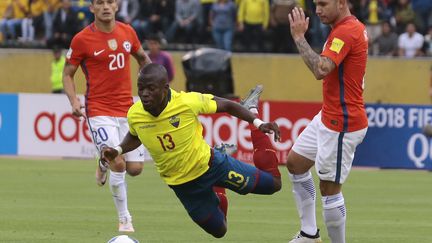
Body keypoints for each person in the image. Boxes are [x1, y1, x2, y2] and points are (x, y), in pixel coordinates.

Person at [102, 63, 282, 238]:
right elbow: (135, 136)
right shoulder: (135, 114)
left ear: (165, 88)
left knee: (274, 184)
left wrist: (258, 123)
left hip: (212, 165)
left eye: (150, 89)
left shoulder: (187, 102)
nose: (144, 94)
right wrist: (117, 150)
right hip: (183, 187)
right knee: (220, 231)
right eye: (141, 89)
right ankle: (220, 173)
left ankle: (251, 107)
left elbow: (227, 105)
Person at [62, 0, 152, 233]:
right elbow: (67, 74)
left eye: (109, 2)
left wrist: (155, 83)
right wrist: (74, 101)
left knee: (136, 168)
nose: (105, 6)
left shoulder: (128, 32)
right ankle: (124, 219)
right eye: (99, 2)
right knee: (119, 163)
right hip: (99, 110)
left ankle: (102, 161)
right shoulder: (81, 39)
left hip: (127, 110)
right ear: (92, 8)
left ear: (116, 6)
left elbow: (143, 59)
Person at [287, 1, 369, 242]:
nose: (318, 10)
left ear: (341, 3)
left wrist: (299, 37)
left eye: (323, 4)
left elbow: (321, 69)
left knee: (329, 189)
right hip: (328, 115)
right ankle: (309, 234)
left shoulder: (345, 31)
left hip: (342, 122)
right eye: (316, 4)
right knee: (296, 163)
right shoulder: (345, 27)